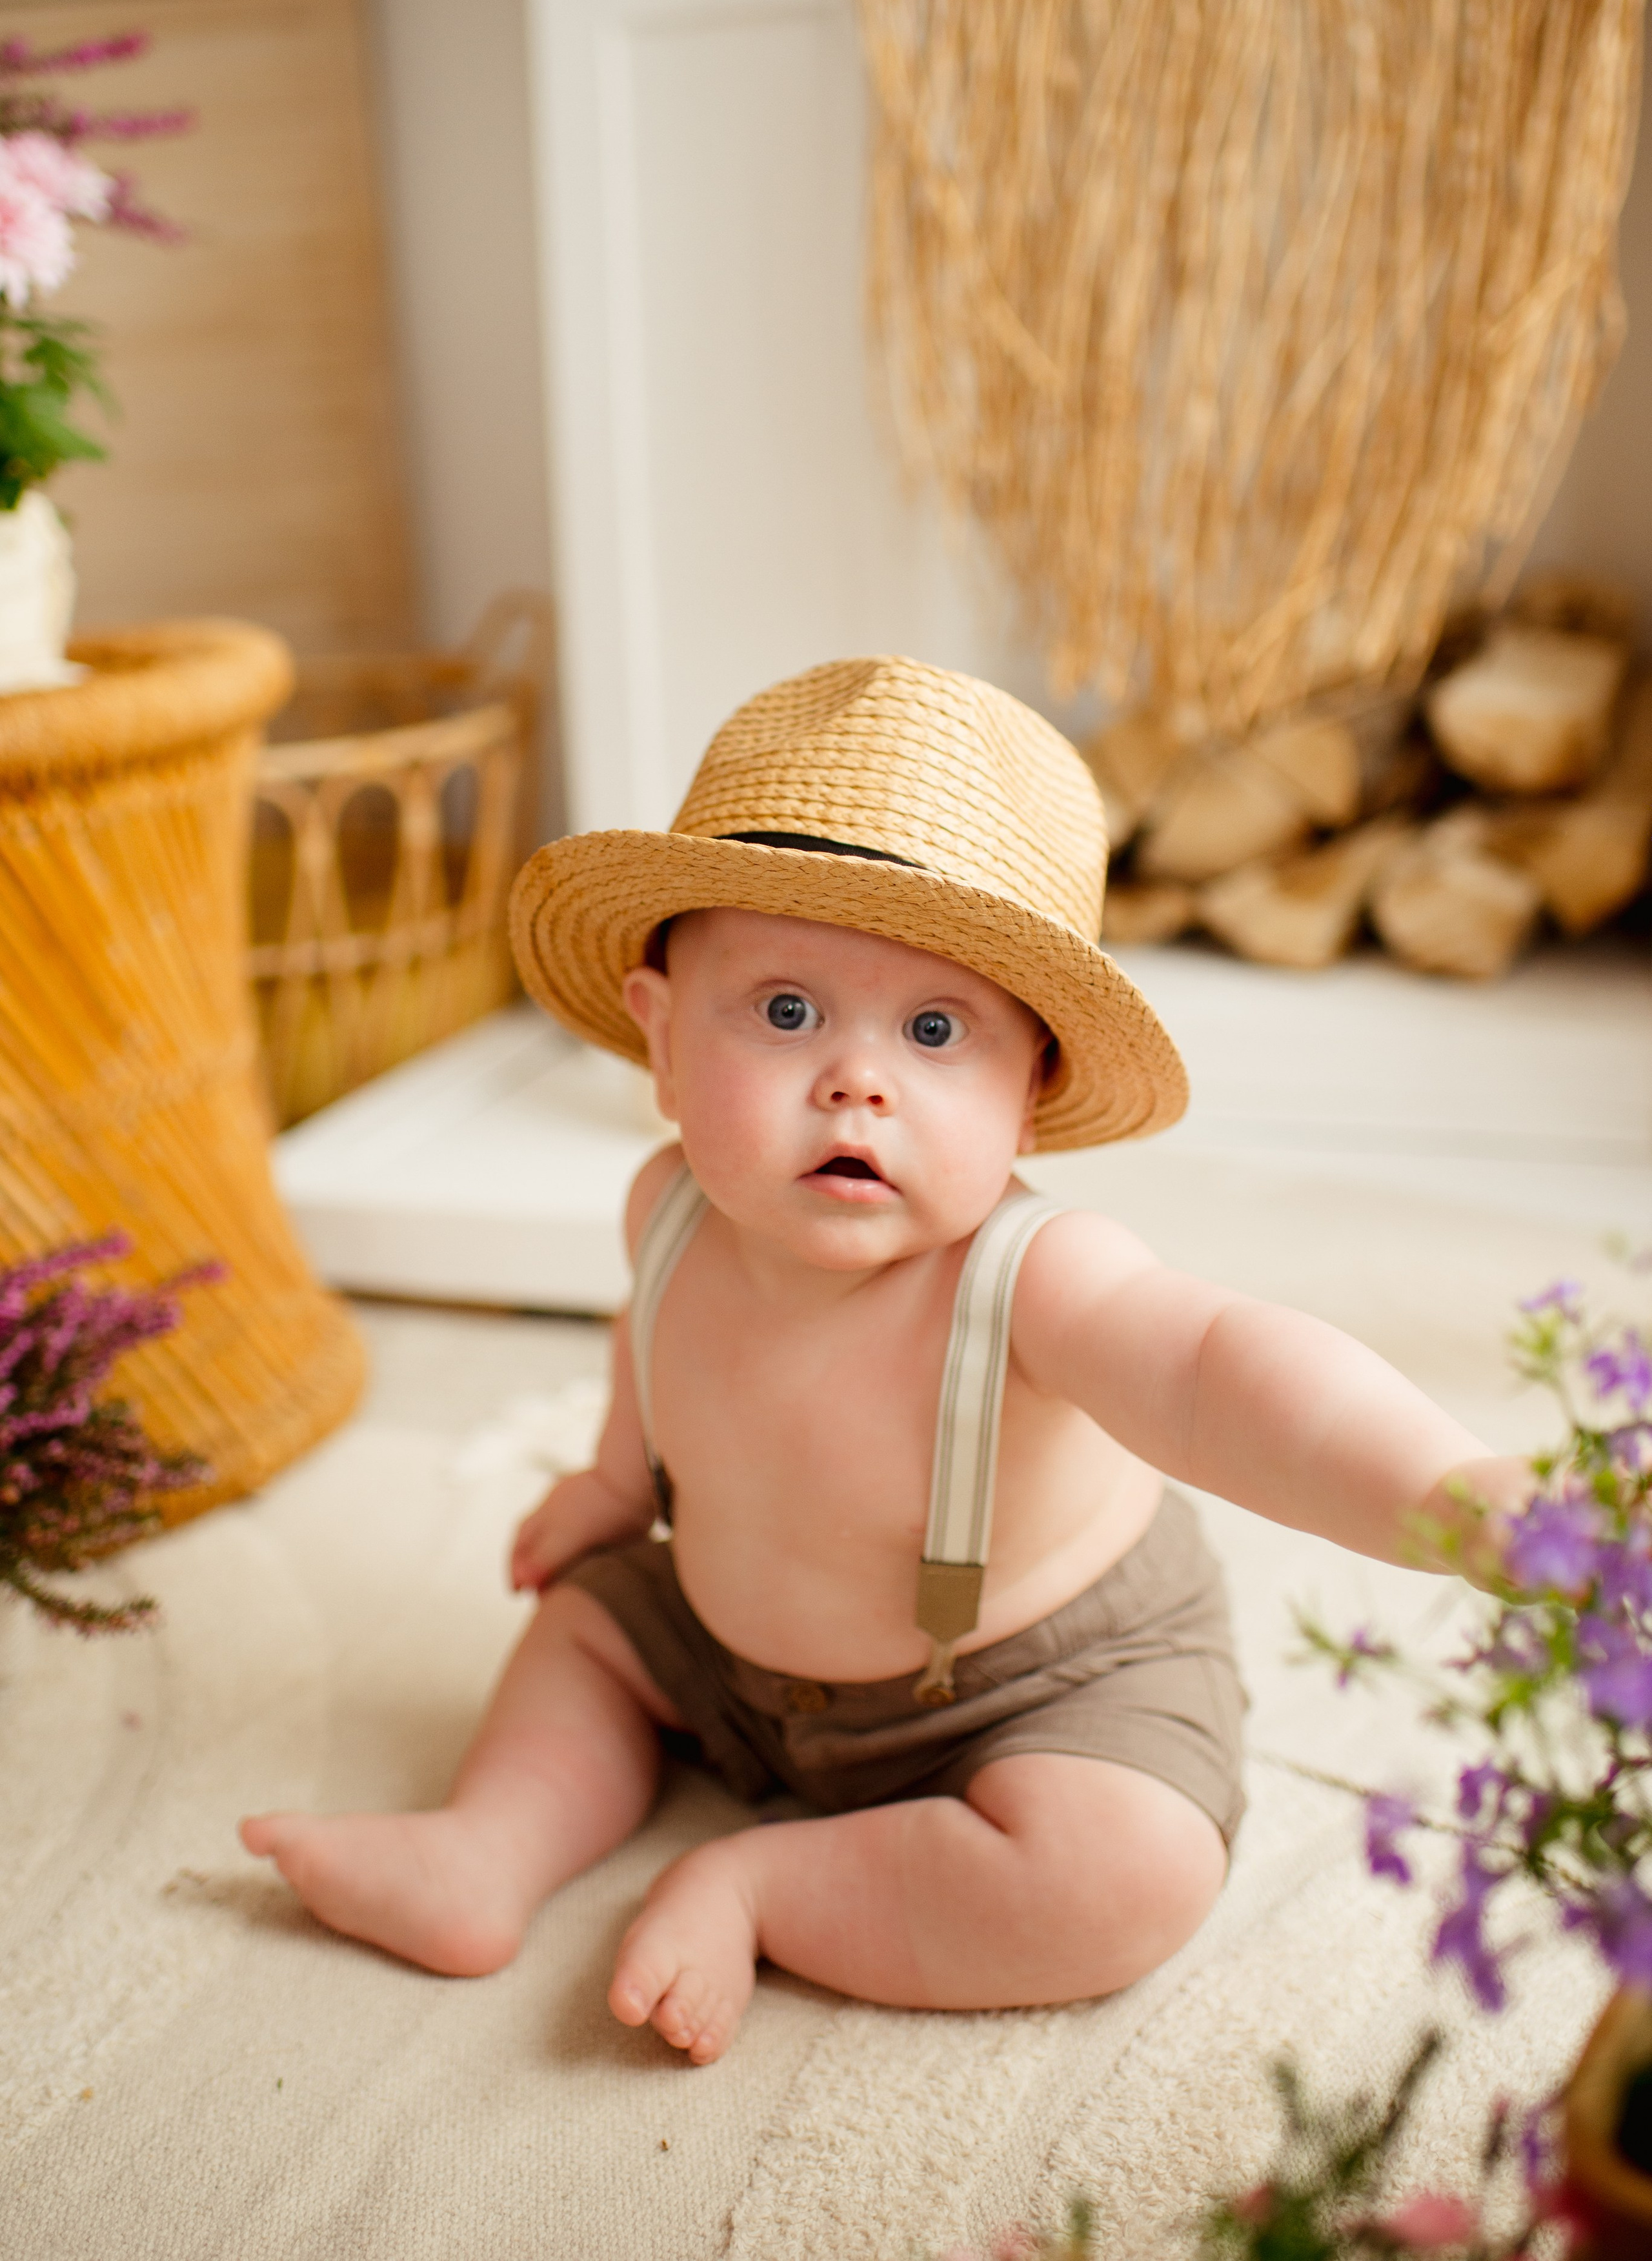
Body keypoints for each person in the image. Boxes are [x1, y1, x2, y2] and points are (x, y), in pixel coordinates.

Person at [241, 657, 1531, 2065]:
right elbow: (649, 1347)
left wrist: (1450, 1488)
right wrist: (617, 1484)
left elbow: (1218, 1367)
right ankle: (483, 1851)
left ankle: (763, 1885)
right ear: (663, 1045)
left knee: (1126, 1871)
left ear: (1028, 1096)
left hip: (1033, 1682)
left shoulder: (1036, 1277)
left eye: (934, 1032)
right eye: (785, 1011)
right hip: (728, 1651)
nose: (858, 1079)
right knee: (586, 1632)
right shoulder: (664, 1209)